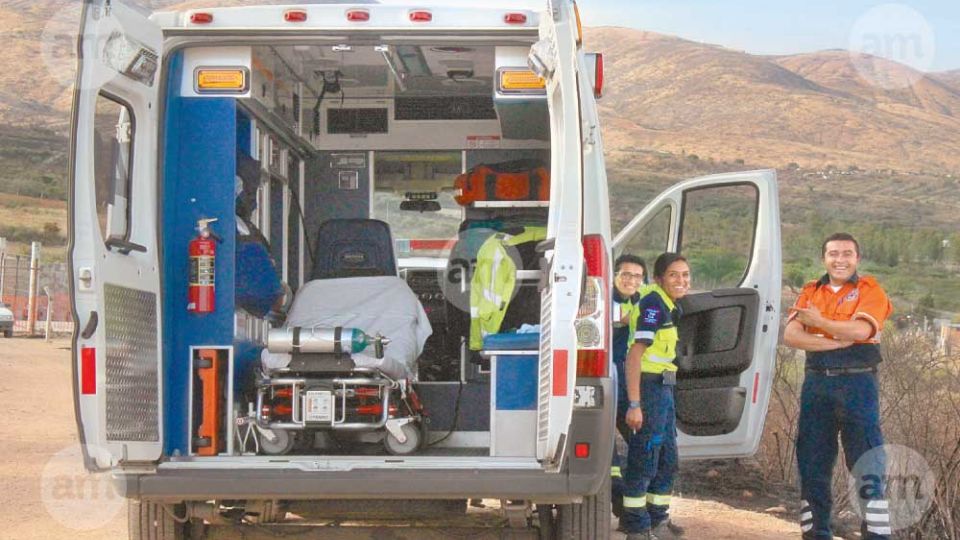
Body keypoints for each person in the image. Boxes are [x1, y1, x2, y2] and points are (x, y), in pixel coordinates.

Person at [784, 232, 893, 540]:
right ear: (824, 258)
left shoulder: (870, 290)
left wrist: (820, 324)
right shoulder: (810, 291)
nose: (840, 260)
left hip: (858, 384)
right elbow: (791, 335)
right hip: (817, 384)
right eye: (833, 254)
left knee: (866, 462)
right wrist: (836, 342)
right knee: (812, 461)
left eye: (847, 254)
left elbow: (860, 330)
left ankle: (877, 535)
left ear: (857, 258)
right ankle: (816, 532)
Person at [620, 253, 690, 540]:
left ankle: (658, 519)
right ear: (660, 278)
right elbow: (635, 356)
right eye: (674, 275)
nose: (681, 280)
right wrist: (635, 404)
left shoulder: (667, 303)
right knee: (645, 458)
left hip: (664, 388)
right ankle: (636, 527)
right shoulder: (653, 305)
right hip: (648, 388)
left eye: (685, 275)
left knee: (668, 458)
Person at [610, 254, 648, 518]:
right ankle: (617, 497)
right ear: (614, 275)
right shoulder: (602, 299)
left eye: (637, 276)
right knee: (606, 446)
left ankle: (632, 502)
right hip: (605, 377)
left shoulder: (641, 299)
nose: (631, 281)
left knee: (641, 440)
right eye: (625, 274)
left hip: (629, 381)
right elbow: (626, 318)